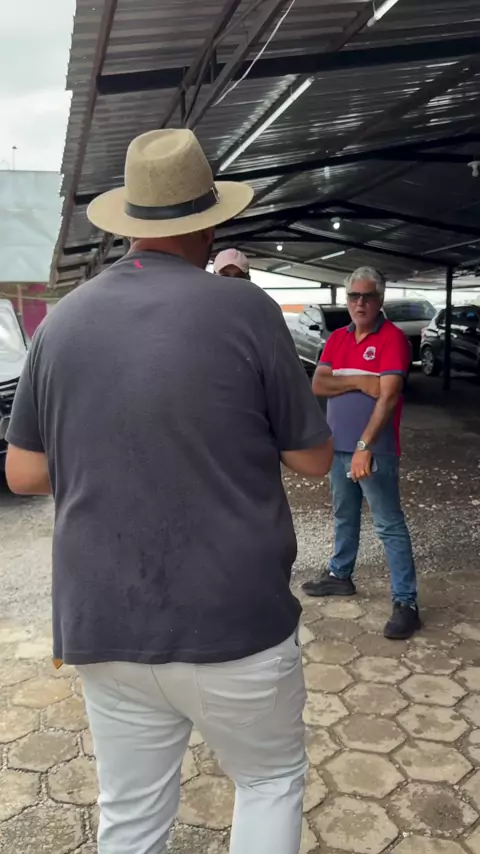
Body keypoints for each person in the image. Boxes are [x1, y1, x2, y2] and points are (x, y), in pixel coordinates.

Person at [6, 128, 333, 854]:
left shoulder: (62, 321)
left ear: (129, 223)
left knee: (131, 816)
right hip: (233, 620)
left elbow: (24, 473)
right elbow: (314, 459)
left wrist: (109, 446)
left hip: (104, 622)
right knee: (269, 779)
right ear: (209, 224)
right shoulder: (246, 310)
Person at [302, 266, 420, 640]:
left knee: (388, 524)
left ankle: (406, 603)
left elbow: (387, 396)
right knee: (344, 515)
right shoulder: (337, 338)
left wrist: (364, 447)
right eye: (354, 296)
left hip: (374, 450)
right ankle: (340, 575)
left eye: (367, 296)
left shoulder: (393, 339)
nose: (360, 303)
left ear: (380, 299)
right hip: (338, 446)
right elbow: (318, 384)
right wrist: (360, 380)